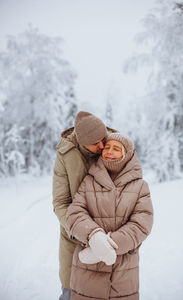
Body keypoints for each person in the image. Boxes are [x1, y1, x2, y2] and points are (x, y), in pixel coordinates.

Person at [66, 132, 154, 300]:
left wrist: (109, 246)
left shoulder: (140, 186)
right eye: (107, 147)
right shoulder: (88, 181)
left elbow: (142, 223)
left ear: (127, 155)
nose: (109, 152)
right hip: (87, 273)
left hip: (123, 272)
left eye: (116, 148)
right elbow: (75, 212)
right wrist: (94, 236)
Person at [53, 111, 116, 300]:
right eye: (95, 143)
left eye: (102, 139)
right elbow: (60, 203)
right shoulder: (66, 155)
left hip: (110, 238)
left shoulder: (115, 147)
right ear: (81, 141)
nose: (102, 146)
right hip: (75, 240)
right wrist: (85, 231)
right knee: (72, 292)